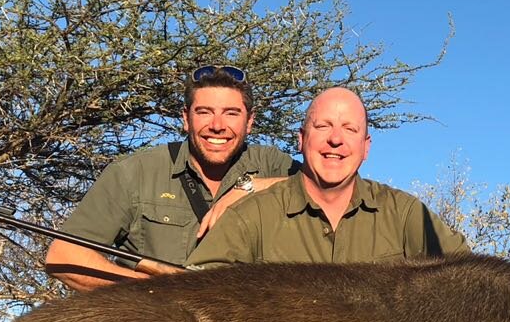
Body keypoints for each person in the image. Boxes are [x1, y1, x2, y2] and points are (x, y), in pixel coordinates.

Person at [46, 66, 299, 291]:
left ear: (250, 122)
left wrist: (250, 186)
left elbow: (331, 184)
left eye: (231, 113)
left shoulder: (272, 165)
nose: (218, 125)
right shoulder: (134, 172)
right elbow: (64, 256)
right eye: (204, 112)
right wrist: (155, 290)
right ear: (185, 119)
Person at [187, 86, 468, 266]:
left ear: (366, 147)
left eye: (350, 129)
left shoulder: (404, 214)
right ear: (301, 139)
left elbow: (472, 279)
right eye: (323, 126)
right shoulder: (251, 216)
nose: (336, 139)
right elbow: (197, 296)